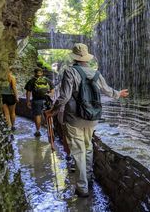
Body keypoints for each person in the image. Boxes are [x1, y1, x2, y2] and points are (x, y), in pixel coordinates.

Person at [49, 43, 129, 197]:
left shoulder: (70, 72)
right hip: (92, 118)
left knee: (78, 152)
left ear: (74, 57)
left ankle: (82, 187)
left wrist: (53, 111)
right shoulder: (96, 73)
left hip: (74, 118)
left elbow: (64, 97)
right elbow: (107, 90)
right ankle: (89, 178)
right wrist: (119, 94)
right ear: (86, 58)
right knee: (88, 148)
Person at [25, 67, 54, 137]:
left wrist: (28, 101)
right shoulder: (47, 80)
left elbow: (28, 92)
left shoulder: (31, 81)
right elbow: (52, 91)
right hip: (47, 100)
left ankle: (38, 131)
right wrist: (49, 95)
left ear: (34, 73)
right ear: (42, 73)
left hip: (36, 101)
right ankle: (51, 130)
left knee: (37, 115)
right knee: (49, 115)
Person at [1, 66, 19, 131]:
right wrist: (16, 97)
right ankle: (13, 126)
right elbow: (14, 88)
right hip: (11, 96)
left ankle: (9, 126)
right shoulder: (12, 77)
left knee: (6, 113)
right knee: (12, 112)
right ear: (11, 71)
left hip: (3, 96)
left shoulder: (1, 77)